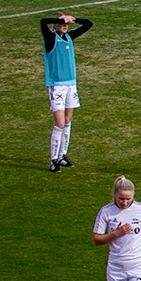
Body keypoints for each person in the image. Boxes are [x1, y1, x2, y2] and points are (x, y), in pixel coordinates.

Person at [42, 11, 91, 172]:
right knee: (60, 123)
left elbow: (88, 24)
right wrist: (59, 18)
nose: (65, 25)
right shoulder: (51, 39)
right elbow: (43, 22)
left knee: (68, 121)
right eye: (61, 22)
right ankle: (53, 159)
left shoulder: (69, 37)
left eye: (66, 23)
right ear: (55, 24)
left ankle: (62, 155)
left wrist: (74, 19)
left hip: (71, 85)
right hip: (57, 86)